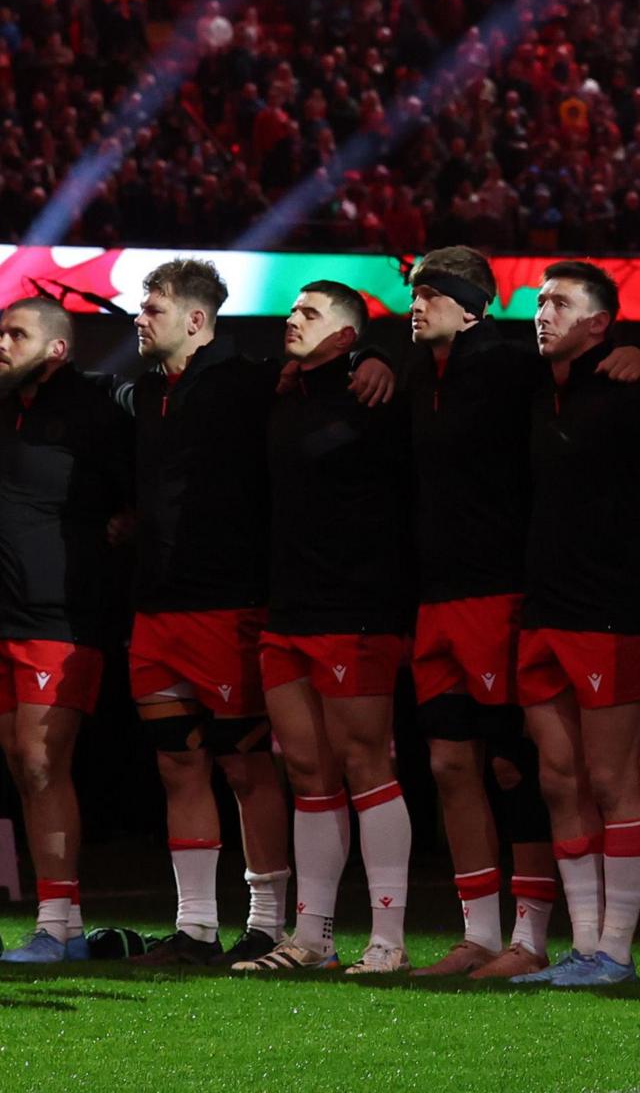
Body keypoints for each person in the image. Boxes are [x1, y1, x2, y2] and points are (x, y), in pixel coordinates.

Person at [122, 257, 296, 966]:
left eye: (153, 307)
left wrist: (371, 356)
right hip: (156, 608)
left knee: (246, 768)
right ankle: (195, 927)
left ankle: (268, 923)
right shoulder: (142, 394)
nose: (140, 317)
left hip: (228, 605)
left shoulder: (250, 383)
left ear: (196, 320)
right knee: (176, 764)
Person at [514, 259, 640, 987]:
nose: (542, 312)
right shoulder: (536, 394)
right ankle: (584, 947)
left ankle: (615, 948)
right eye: (540, 300)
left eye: (560, 302)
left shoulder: (636, 396)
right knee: (559, 780)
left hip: (615, 613)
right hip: (544, 611)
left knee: (613, 779)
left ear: (600, 321)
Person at [400, 246, 562, 978]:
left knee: (509, 765)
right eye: (413, 292)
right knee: (448, 763)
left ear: (472, 306)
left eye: (431, 293)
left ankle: (530, 939)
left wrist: (621, 354)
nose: (416, 303)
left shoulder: (507, 366)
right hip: (433, 597)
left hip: (500, 595)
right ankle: (479, 934)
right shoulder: (410, 376)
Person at [245, 282, 414, 975]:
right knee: (309, 771)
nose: (292, 320)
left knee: (367, 766)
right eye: (293, 311)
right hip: (288, 609)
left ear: (345, 338)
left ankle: (389, 938)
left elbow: (430, 355)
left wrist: (382, 351)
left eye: (310, 314)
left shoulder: (377, 395)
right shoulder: (284, 394)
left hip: (357, 607)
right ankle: (312, 936)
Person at [0, 296, 133, 963]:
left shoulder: (97, 408)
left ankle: (59, 922)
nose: (0, 342)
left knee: (43, 762)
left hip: (62, 615)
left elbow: (143, 485)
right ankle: (57, 923)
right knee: (20, 763)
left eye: (17, 333)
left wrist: (122, 530)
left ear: (58, 349)